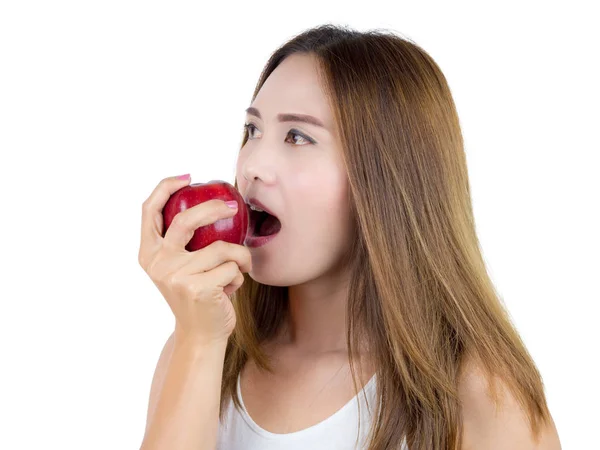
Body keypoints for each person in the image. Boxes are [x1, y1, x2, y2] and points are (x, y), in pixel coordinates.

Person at [137, 24, 562, 450]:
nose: (252, 166)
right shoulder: (201, 351)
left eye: (298, 136)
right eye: (253, 131)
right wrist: (199, 341)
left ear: (385, 178)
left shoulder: (480, 397)